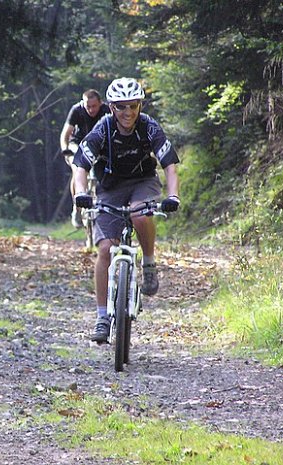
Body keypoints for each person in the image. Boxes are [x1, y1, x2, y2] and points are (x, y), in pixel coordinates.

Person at [72, 77, 180, 343]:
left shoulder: (149, 127)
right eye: (121, 107)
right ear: (111, 108)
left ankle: (149, 263)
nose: (127, 112)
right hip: (110, 186)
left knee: (139, 214)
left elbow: (169, 164)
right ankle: (101, 317)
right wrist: (83, 193)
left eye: (132, 105)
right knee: (106, 249)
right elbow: (81, 165)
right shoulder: (103, 128)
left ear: (140, 105)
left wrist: (173, 195)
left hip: (143, 182)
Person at [60, 89, 110, 228]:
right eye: (88, 106)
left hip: (99, 145)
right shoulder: (76, 110)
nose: (91, 109)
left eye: (94, 106)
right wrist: (66, 149)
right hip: (78, 144)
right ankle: (77, 207)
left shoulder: (107, 110)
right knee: (78, 171)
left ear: (100, 103)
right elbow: (65, 134)